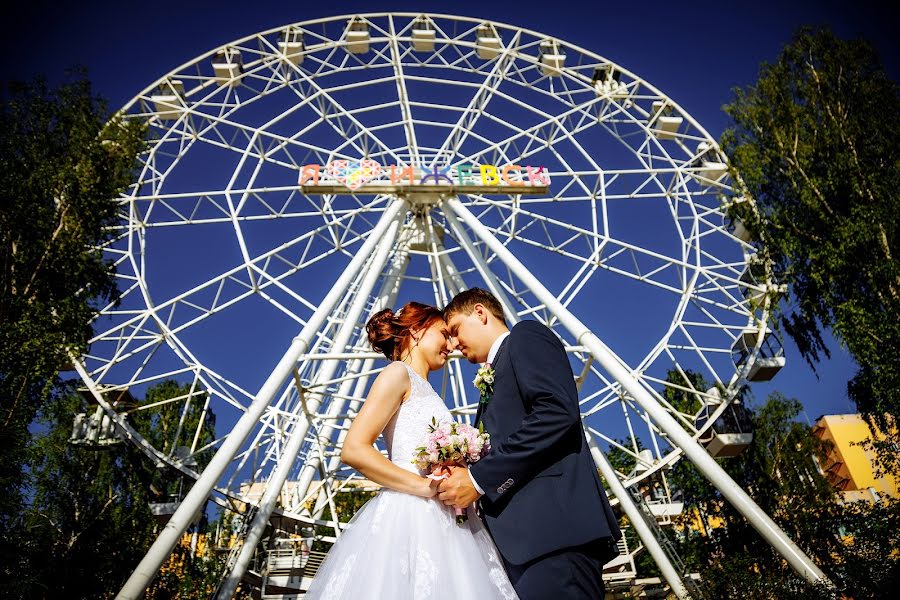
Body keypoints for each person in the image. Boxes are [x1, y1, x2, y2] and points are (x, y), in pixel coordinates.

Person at [304, 301, 518, 600]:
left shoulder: (426, 388)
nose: (451, 344)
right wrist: (424, 486)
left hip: (447, 514)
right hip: (412, 513)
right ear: (417, 331)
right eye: (444, 333)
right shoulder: (397, 374)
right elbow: (354, 449)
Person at [438, 288, 622, 600]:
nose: (453, 345)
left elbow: (556, 413)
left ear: (480, 313)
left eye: (455, 331)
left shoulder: (525, 336)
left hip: (552, 536)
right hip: (521, 546)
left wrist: (478, 479)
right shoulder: (490, 380)